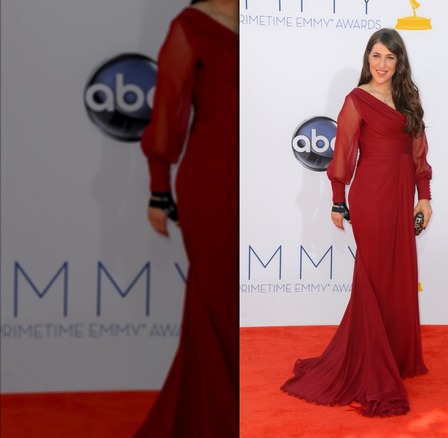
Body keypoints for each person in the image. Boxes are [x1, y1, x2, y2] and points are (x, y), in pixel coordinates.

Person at [281, 28, 433, 417]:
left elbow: (419, 152)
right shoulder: (356, 99)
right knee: (374, 277)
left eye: (390, 58)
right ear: (367, 58)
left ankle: (394, 357)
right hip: (371, 196)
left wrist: (425, 196)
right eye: (376, 56)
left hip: (401, 196)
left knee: (396, 274)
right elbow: (343, 153)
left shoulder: (407, 99)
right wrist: (337, 201)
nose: (382, 65)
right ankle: (372, 364)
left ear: (399, 63)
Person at [135, 0, 239, 436]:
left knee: (243, 303)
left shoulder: (274, 22)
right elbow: (169, 107)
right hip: (213, 182)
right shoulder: (190, 25)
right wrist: (160, 188)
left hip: (263, 185)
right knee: (216, 299)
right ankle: (214, 420)